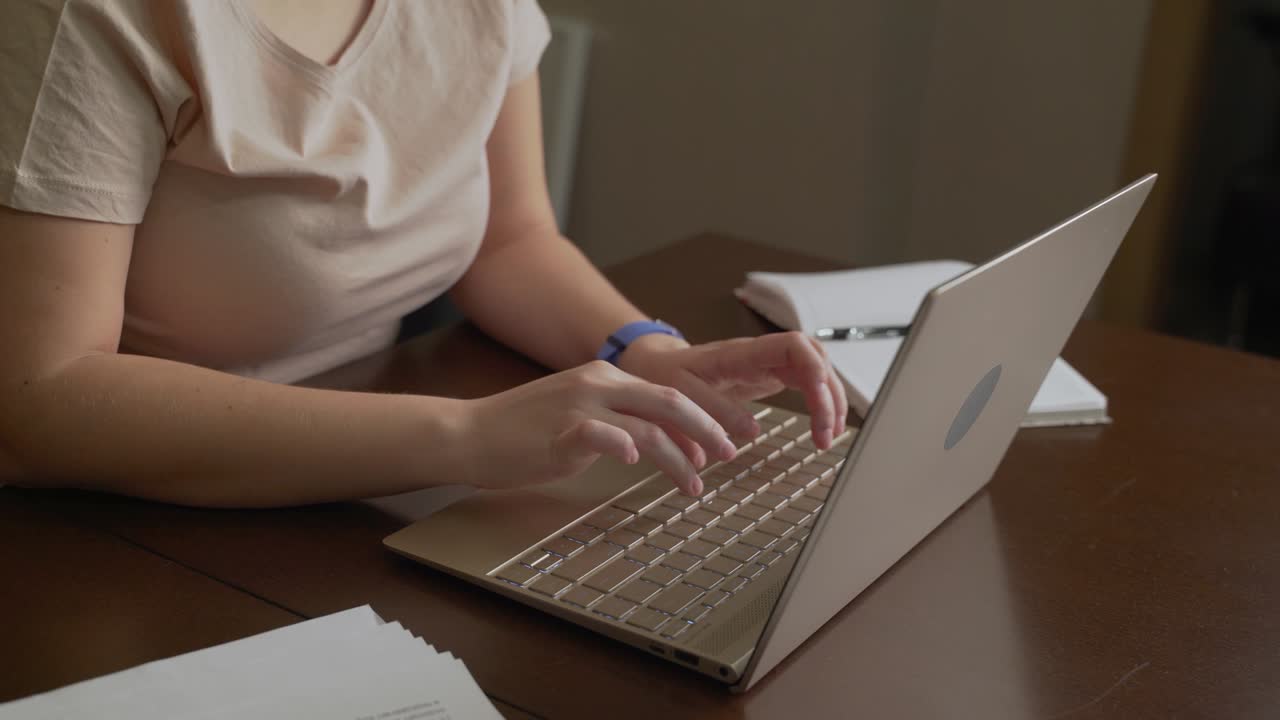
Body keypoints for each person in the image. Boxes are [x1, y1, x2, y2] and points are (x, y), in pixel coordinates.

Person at [0, 0, 846, 508]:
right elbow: (40, 402)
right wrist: (466, 436)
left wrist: (647, 354)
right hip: (124, 515)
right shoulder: (89, 16)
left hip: (359, 461)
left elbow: (510, 242)